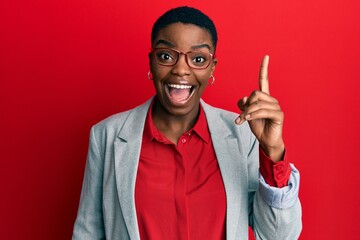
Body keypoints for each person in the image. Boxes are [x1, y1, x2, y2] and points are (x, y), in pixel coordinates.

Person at [72, 6, 302, 240]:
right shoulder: (106, 136)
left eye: (198, 59)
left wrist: (273, 152)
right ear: (151, 62)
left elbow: (279, 236)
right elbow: (87, 233)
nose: (181, 69)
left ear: (212, 68)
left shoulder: (243, 136)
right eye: (165, 56)